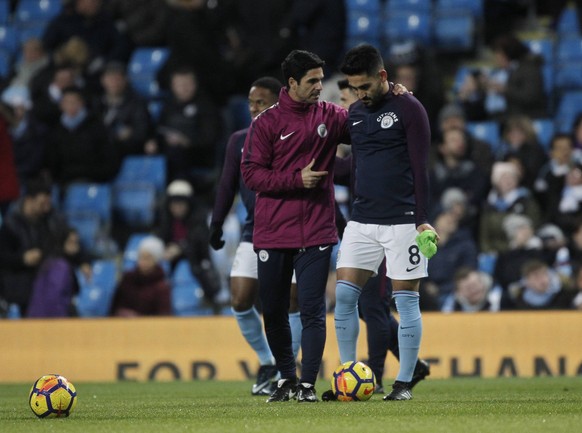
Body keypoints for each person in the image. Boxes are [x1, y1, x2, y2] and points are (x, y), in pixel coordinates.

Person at [241, 49, 351, 403]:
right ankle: (286, 378)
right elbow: (252, 174)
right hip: (273, 231)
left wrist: (394, 96)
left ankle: (306, 384)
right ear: (291, 83)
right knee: (272, 309)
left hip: (317, 229)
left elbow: (363, 122)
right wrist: (295, 179)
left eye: (321, 79)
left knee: (312, 309)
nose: (321, 86)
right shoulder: (266, 123)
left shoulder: (332, 116)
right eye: (313, 81)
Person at [331, 43, 437, 401]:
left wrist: (422, 219)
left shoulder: (410, 109)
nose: (359, 94)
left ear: (382, 76)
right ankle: (348, 377)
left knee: (406, 302)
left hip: (403, 221)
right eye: (353, 88)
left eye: (364, 86)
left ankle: (404, 383)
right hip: (362, 221)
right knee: (345, 297)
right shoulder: (356, 114)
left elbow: (421, 168)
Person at [209, 76, 304, 395]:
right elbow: (226, 185)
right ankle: (268, 362)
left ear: (277, 102)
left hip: (292, 228)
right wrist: (217, 222)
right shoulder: (238, 140)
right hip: (255, 229)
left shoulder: (292, 134)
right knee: (240, 298)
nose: (253, 108)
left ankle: (286, 367)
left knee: (291, 300)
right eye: (250, 103)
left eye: (260, 102)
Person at [157, 179, 221, 309]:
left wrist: (181, 248)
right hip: (171, 264)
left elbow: (200, 244)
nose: (177, 207)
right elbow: (161, 240)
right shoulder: (166, 221)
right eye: (174, 204)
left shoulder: (200, 219)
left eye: (181, 203)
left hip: (197, 264)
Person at [110, 235, 172, 317]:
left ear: (156, 260)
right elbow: (115, 308)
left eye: (148, 258)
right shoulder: (128, 279)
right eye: (141, 257)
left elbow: (163, 316)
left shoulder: (162, 287)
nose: (143, 262)